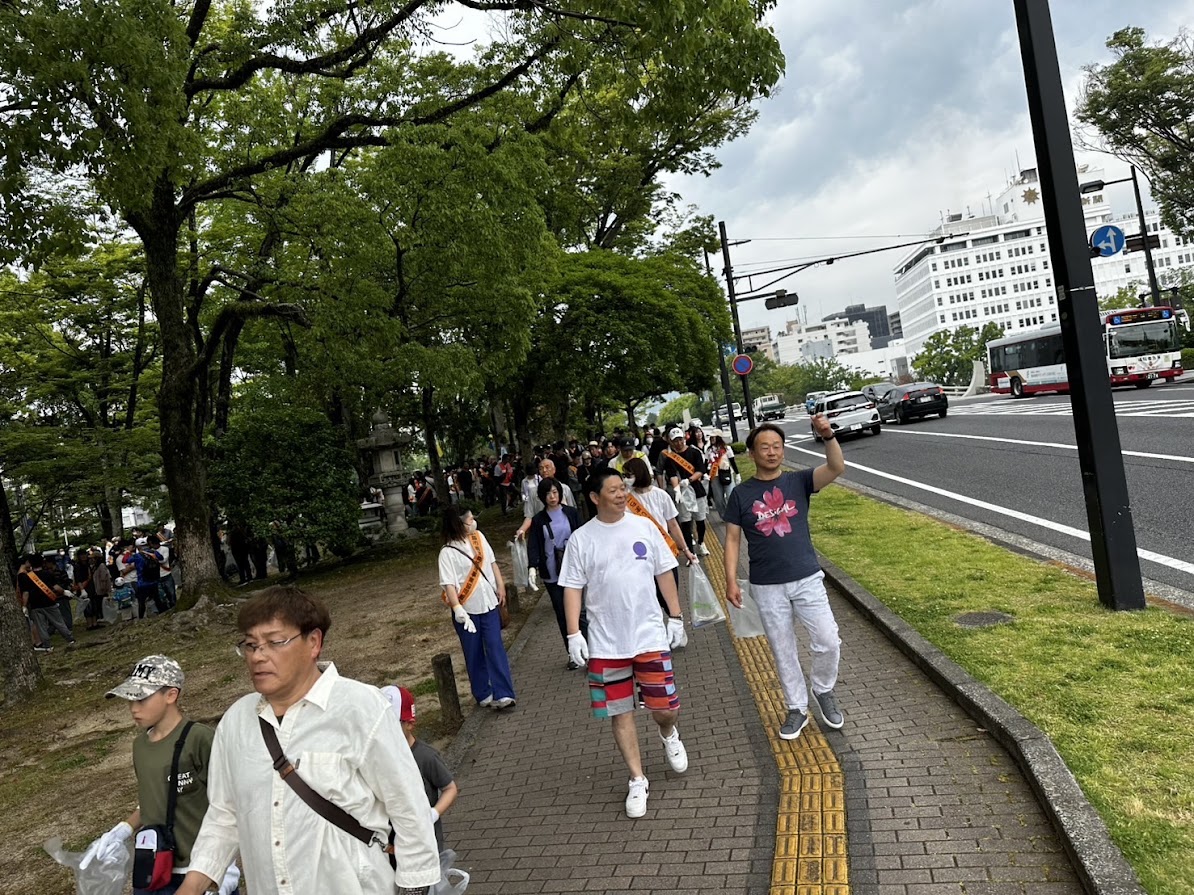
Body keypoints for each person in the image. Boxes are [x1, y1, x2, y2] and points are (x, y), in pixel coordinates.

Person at [175, 587, 440, 895]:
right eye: (250, 645)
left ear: (314, 642)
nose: (258, 656)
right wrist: (192, 885)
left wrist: (414, 888)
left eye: (275, 642)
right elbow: (224, 814)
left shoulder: (361, 708)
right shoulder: (236, 722)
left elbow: (409, 809)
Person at [559, 467, 690, 819]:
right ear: (594, 497)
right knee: (620, 712)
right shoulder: (581, 540)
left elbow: (664, 572)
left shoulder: (644, 526)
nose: (621, 494)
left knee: (665, 708)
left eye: (623, 488)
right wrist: (573, 634)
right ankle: (637, 779)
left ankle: (669, 732)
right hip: (606, 643)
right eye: (613, 490)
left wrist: (676, 616)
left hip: (648, 635)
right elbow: (572, 587)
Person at [722, 420, 846, 742]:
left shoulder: (798, 481)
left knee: (828, 639)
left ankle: (823, 689)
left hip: (807, 577)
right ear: (751, 454)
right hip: (766, 585)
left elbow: (836, 467)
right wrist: (731, 580)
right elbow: (732, 539)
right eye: (764, 447)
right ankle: (796, 708)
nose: (772, 452)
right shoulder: (741, 494)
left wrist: (828, 435)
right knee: (782, 648)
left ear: (783, 450)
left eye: (777, 446)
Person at [81, 656, 240, 895]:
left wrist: (225, 871)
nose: (133, 708)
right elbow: (153, 799)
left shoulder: (200, 740)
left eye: (142, 698)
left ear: (171, 695)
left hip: (198, 871)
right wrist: (123, 829)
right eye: (130, 700)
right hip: (153, 869)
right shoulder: (140, 747)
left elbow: (230, 802)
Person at [438, 506, 517, 709]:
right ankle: (482, 691)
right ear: (458, 524)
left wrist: (500, 586)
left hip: (488, 603)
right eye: (469, 520)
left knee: (495, 646)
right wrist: (457, 608)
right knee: (473, 652)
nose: (473, 522)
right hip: (467, 610)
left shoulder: (479, 537)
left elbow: (492, 563)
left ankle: (504, 693)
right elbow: (449, 584)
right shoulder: (447, 553)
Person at [381, 686, 459, 852]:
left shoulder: (426, 756)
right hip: (392, 846)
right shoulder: (378, 758)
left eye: (391, 724)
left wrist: (433, 814)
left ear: (409, 724)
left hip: (426, 845)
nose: (384, 730)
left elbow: (450, 788)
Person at [526, 477, 587, 668]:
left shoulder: (572, 513)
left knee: (582, 611)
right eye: (548, 494)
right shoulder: (538, 520)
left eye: (555, 492)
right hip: (552, 572)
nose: (552, 497)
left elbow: (584, 537)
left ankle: (590, 650)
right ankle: (572, 654)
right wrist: (532, 567)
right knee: (562, 612)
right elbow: (534, 545)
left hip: (575, 569)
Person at [661, 427, 711, 556]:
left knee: (700, 520)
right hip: (683, 493)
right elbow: (672, 475)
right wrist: (676, 489)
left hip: (697, 490)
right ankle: (691, 552)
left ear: (684, 438)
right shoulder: (670, 458)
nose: (678, 443)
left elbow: (701, 470)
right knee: (686, 522)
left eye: (680, 439)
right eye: (675, 441)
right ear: (671, 442)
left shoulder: (694, 452)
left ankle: (701, 542)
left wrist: (689, 480)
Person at [17, 552, 76, 651]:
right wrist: (64, 592)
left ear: (30, 563)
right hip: (50, 603)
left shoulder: (27, 577)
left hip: (35, 605)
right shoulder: (48, 574)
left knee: (41, 627)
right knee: (59, 622)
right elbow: (56, 587)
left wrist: (24, 606)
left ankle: (47, 645)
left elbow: (25, 593)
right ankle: (70, 639)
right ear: (42, 562)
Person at [707, 430, 740, 518]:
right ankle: (724, 516)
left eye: (714, 437)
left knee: (730, 495)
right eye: (711, 437)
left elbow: (732, 462)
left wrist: (737, 474)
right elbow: (706, 463)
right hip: (715, 476)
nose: (712, 439)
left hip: (726, 473)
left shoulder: (727, 449)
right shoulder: (709, 450)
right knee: (718, 499)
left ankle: (734, 515)